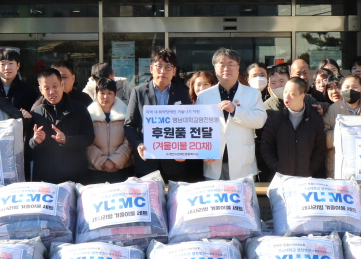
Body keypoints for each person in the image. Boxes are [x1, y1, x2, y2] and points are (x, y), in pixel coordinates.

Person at [125, 48, 199, 182]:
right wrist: (138, 144)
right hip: (147, 159)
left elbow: (190, 125)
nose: (163, 71)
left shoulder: (183, 92)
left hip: (175, 162)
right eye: (159, 66)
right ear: (151, 68)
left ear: (174, 71)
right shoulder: (139, 92)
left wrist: (185, 150)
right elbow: (129, 125)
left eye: (168, 67)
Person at [196, 48, 267, 181]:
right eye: (221, 65)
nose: (226, 68)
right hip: (214, 162)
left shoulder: (252, 94)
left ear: (238, 68)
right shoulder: (204, 96)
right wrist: (203, 150)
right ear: (215, 68)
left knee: (244, 201)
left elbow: (259, 121)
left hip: (243, 164)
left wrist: (235, 111)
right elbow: (198, 127)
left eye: (230, 64)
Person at [29, 68, 95, 184]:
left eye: (55, 86)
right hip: (45, 179)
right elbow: (27, 149)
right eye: (47, 88)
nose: (51, 91)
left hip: (75, 176)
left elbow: (89, 138)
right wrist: (35, 141)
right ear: (40, 90)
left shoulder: (79, 109)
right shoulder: (36, 113)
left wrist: (67, 140)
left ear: (62, 85)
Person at [260, 77, 326, 178]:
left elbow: (319, 149)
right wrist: (278, 167)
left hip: (306, 178)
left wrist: (310, 168)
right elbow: (266, 147)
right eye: (285, 92)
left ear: (302, 96)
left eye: (292, 94)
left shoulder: (315, 120)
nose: (287, 96)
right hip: (281, 178)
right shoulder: (275, 119)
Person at [323, 75, 361, 178]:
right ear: (340, 90)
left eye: (354, 87)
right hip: (339, 169)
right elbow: (322, 138)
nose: (350, 90)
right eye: (347, 87)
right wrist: (344, 134)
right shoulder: (332, 110)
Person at [86, 78, 133, 183]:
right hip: (96, 170)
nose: (105, 97)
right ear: (96, 94)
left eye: (109, 93)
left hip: (122, 169)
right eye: (102, 93)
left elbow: (129, 141)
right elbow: (87, 142)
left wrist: (114, 161)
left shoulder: (126, 114)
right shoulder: (87, 116)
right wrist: (103, 162)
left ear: (115, 94)